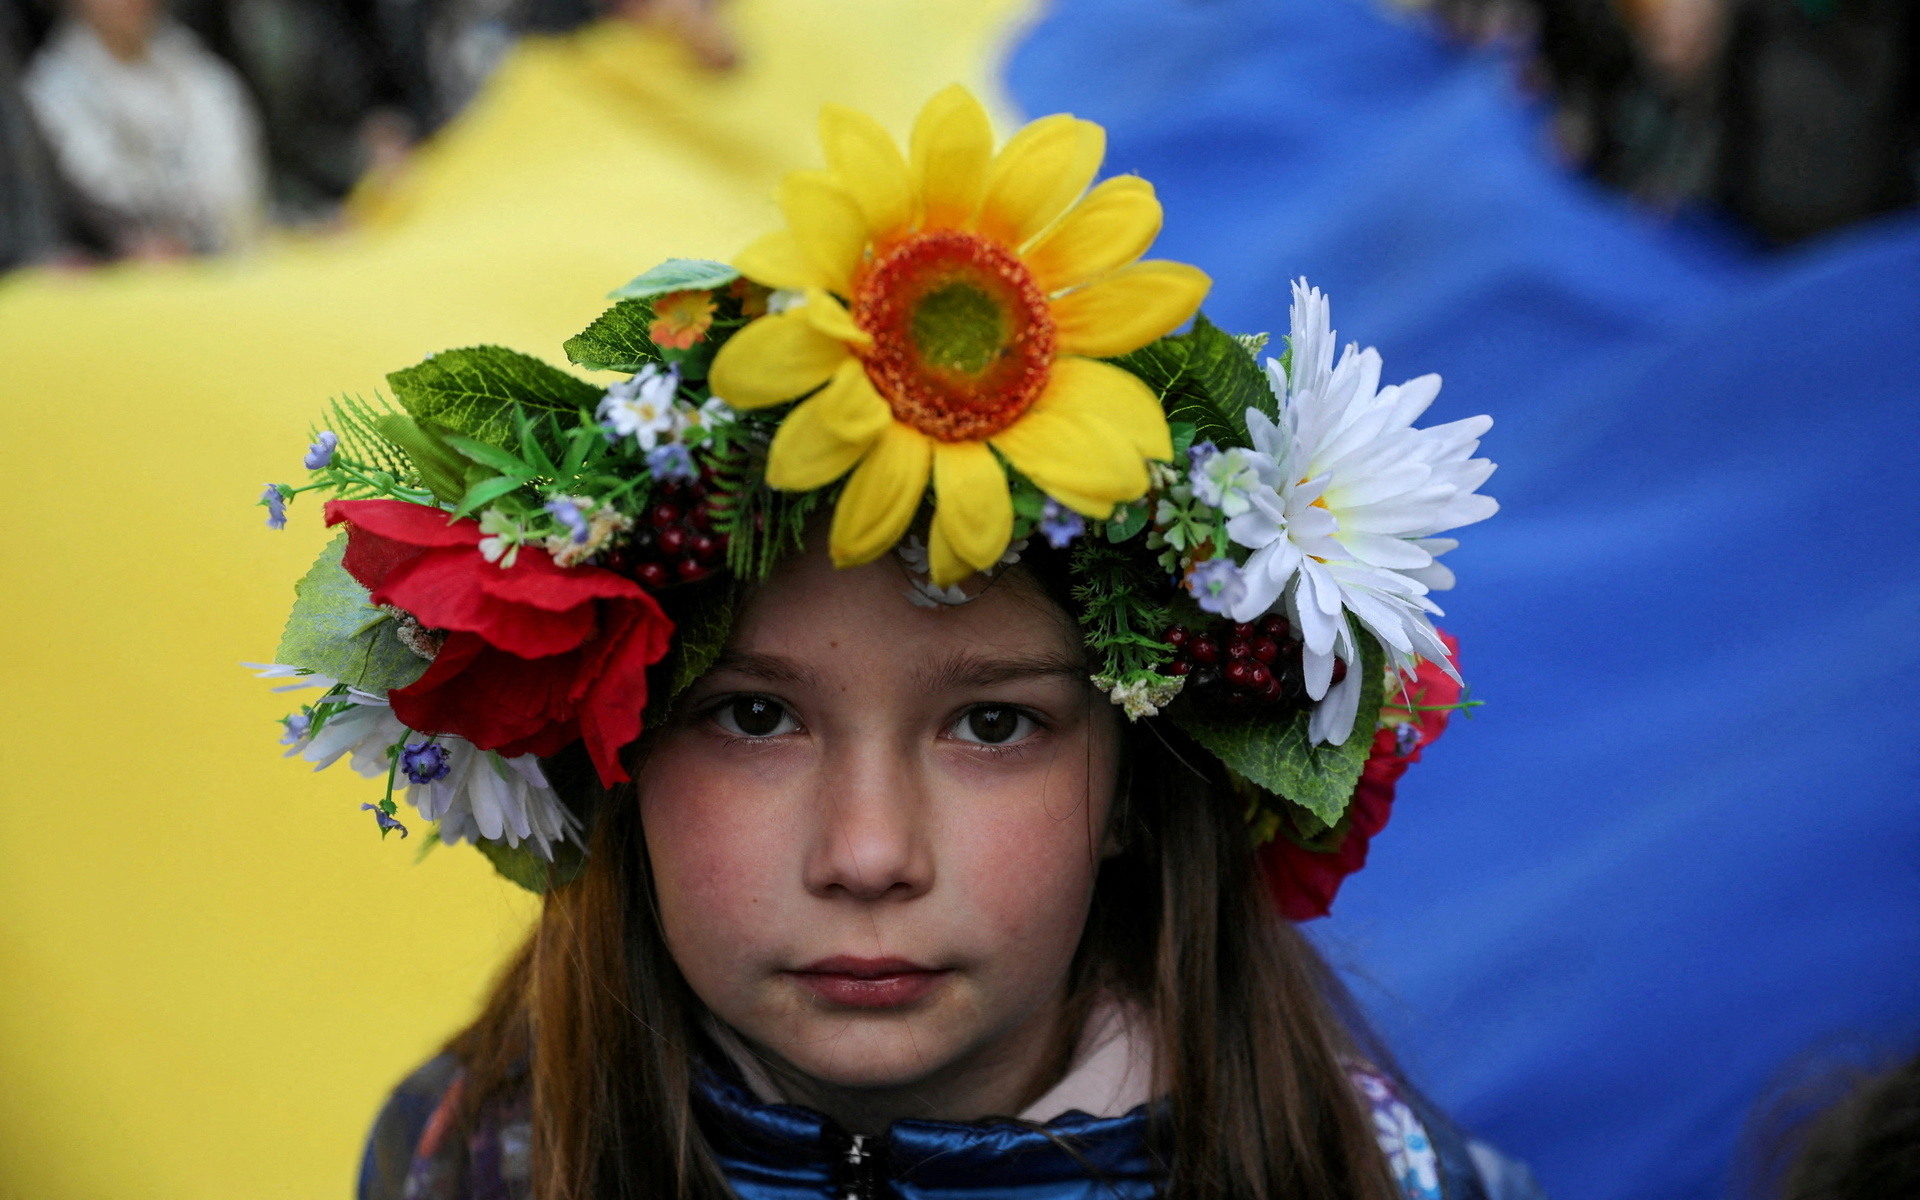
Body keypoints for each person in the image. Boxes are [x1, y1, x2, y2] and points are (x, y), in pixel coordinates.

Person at [251, 85, 1539, 1199]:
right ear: (615, 759)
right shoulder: (466, 1161)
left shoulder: (1379, 1175)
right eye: (755, 716)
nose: (868, 855)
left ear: (1134, 788)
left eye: (993, 724)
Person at [24, 0, 266, 256]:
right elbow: (93, 187)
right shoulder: (52, 88)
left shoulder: (195, 66)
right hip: (120, 257)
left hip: (219, 248)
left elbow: (234, 178)